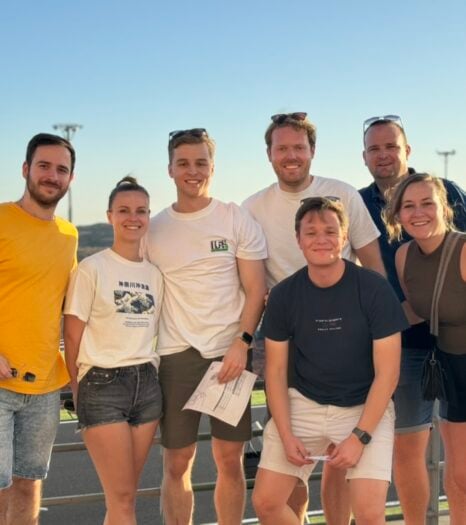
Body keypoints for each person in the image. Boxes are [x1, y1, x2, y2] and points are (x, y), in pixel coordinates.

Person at [242, 111, 385, 524]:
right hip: (287, 342)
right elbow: (250, 282)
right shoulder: (252, 208)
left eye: (298, 147)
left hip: (347, 339)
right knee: (292, 458)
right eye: (282, 148)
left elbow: (373, 266)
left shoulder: (342, 194)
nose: (291, 155)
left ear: (312, 151)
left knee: (341, 456)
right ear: (269, 154)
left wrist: (375, 327)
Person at [252, 197, 408, 525]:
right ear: (298, 239)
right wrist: (286, 434)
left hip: (363, 405)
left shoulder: (374, 289)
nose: (320, 239)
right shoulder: (283, 295)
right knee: (266, 503)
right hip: (304, 403)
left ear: (345, 237)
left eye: (330, 231)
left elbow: (388, 373)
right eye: (311, 232)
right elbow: (275, 372)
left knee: (369, 514)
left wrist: (360, 436)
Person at [144, 128, 267, 525]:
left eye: (200, 162)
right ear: (170, 169)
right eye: (183, 163)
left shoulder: (235, 217)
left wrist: (242, 343)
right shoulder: (153, 229)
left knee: (230, 460)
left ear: (213, 167)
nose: (192, 171)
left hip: (229, 356)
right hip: (176, 356)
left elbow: (256, 290)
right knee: (177, 462)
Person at [360, 115, 466, 524]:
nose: (383, 155)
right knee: (409, 451)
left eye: (391, 146)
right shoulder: (359, 204)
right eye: (374, 148)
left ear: (407, 150)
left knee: (460, 464)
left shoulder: (448, 191)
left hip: (456, 348)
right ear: (364, 156)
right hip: (405, 347)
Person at [63, 177, 163, 525]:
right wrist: (77, 389)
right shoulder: (92, 269)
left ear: (148, 216)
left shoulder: (155, 274)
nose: (133, 217)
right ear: (110, 216)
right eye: (124, 210)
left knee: (124, 496)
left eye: (141, 211)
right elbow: (71, 336)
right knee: (122, 499)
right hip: (102, 385)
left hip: (147, 386)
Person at [0, 133, 78, 525]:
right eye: (44, 166)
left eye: (61, 169)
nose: (52, 176)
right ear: (26, 169)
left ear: (70, 179)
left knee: (29, 485)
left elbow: (71, 307)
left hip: (45, 387)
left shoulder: (69, 236)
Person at [384, 172, 466, 525]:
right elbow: (415, 312)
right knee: (459, 475)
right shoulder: (404, 256)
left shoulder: (463, 250)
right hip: (449, 367)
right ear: (397, 215)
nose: (418, 213)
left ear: (444, 207)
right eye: (409, 206)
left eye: (427, 203)